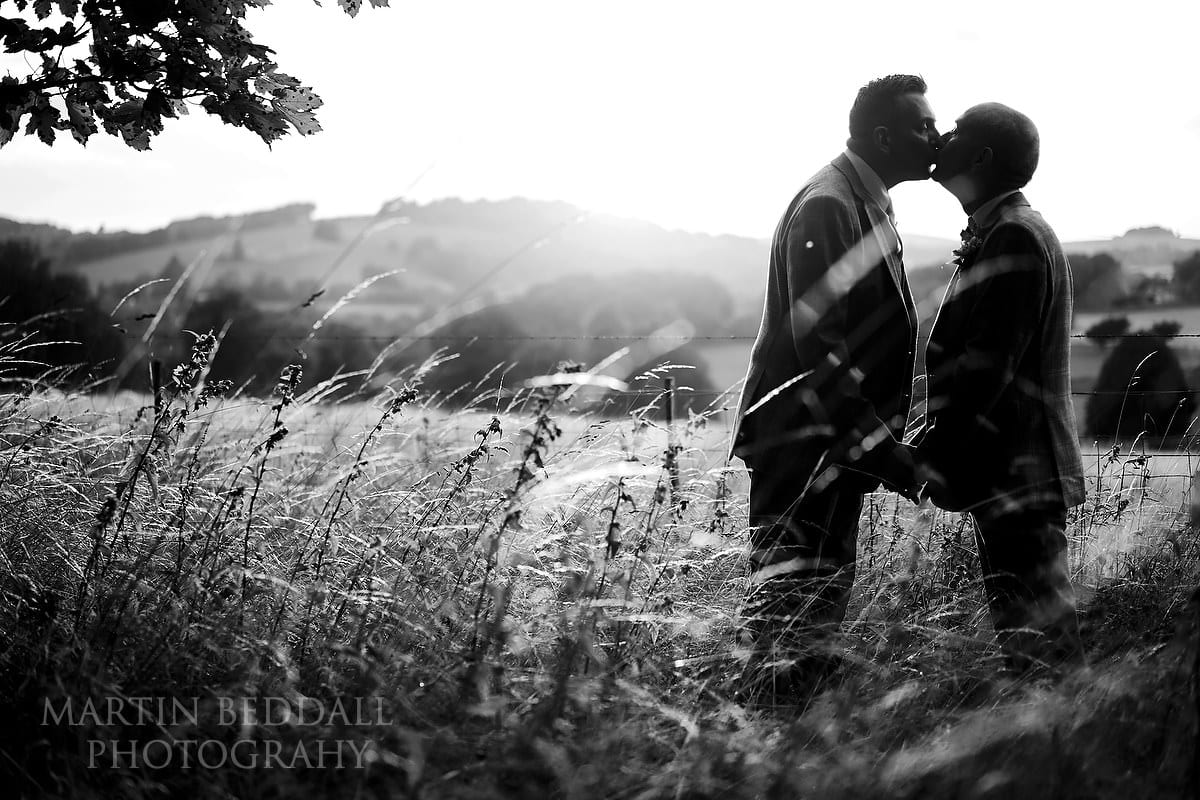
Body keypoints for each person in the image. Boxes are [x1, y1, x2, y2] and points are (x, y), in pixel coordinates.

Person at [729, 74, 940, 702]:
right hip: (802, 443)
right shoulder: (831, 204)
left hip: (830, 443)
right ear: (884, 136)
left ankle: (793, 727)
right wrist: (886, 451)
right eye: (923, 125)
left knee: (817, 602)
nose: (937, 135)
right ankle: (765, 728)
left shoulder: (865, 197)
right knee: (789, 610)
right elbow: (821, 351)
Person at [913, 102, 1086, 674]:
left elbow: (988, 370)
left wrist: (930, 454)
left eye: (956, 130)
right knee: (1031, 640)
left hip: (1020, 471)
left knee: (1041, 647)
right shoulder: (1004, 227)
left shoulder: (1013, 234)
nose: (942, 136)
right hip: (1014, 470)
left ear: (982, 156)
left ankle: (1072, 727)